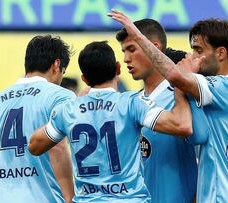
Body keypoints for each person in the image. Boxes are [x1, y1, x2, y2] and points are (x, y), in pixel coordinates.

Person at [109, 10, 228, 202]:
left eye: (199, 50)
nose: (193, 57)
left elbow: (176, 78)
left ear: (221, 53)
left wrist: (137, 34)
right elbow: (200, 135)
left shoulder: (224, 88)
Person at [28, 41, 204, 203]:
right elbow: (181, 125)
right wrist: (181, 87)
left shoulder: (68, 110)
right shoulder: (131, 103)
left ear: (85, 79)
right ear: (118, 69)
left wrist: (71, 109)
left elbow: (34, 146)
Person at [0, 35, 75, 203]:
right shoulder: (60, 96)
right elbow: (58, 148)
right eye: (63, 72)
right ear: (57, 65)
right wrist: (70, 198)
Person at [115, 19, 197, 203]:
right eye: (124, 51)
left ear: (154, 48)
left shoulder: (182, 99)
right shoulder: (131, 103)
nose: (126, 59)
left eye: (131, 49)